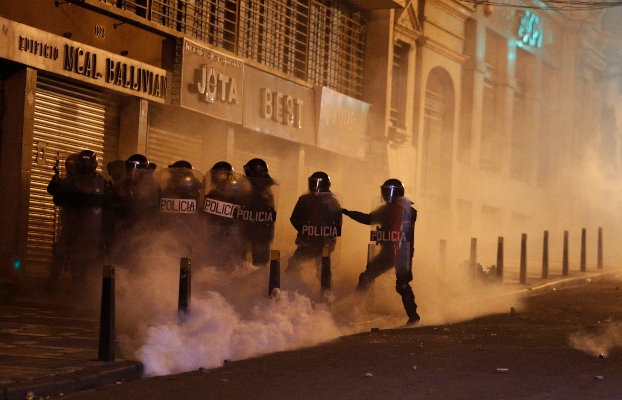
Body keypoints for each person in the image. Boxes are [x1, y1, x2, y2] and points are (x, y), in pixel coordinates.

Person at [341, 178, 420, 325]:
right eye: (385, 191)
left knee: (402, 285)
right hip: (388, 251)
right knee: (366, 277)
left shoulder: (408, 210)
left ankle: (414, 317)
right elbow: (368, 219)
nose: (386, 195)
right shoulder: (385, 210)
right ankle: (353, 311)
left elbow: (412, 215)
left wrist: (402, 206)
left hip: (403, 253)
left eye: (389, 192)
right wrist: (348, 212)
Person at [49, 150, 108, 292]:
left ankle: (83, 289)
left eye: (88, 163)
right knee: (60, 252)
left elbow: (108, 205)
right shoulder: (70, 181)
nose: (86, 166)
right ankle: (52, 283)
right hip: (71, 226)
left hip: (91, 228)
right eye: (83, 163)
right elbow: (57, 196)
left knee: (82, 259)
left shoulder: (100, 181)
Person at [285, 171, 342, 279]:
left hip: (324, 243)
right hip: (307, 241)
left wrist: (324, 230)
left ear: (325, 185)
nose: (315, 186)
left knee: (323, 271)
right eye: (313, 183)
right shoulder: (304, 200)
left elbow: (337, 224)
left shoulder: (332, 202)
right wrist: (305, 228)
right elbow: (294, 218)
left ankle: (326, 294)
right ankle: (291, 289)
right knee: (294, 266)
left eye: (319, 184)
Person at [202, 161, 250, 269]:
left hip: (234, 237)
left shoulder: (239, 195)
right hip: (215, 236)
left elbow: (245, 215)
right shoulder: (212, 195)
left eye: (223, 175)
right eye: (218, 174)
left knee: (235, 267)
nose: (221, 179)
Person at [45, 152, 78, 291]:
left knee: (76, 256)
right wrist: (55, 182)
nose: (70, 170)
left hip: (81, 226)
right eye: (68, 166)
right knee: (59, 252)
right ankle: (52, 282)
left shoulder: (85, 181)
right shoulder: (67, 182)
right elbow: (53, 191)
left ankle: (79, 287)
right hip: (68, 225)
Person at [241, 158, 278, 267]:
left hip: (260, 230)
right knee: (239, 259)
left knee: (260, 263)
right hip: (248, 227)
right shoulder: (251, 186)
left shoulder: (264, 189)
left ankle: (258, 281)